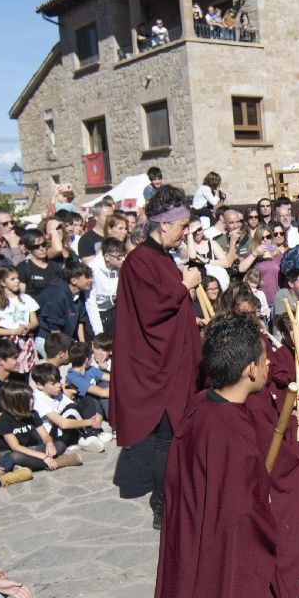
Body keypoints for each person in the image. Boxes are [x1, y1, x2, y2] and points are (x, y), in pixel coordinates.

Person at [146, 314, 299, 598]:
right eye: (264, 358)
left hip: (200, 540)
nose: (270, 364)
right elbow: (238, 508)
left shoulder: (202, 405)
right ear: (249, 370)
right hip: (227, 549)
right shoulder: (229, 429)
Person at [110, 186, 202, 526]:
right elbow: (152, 310)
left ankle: (179, 494)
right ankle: (163, 505)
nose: (184, 234)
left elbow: (170, 307)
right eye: (182, 227)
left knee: (179, 432)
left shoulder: (162, 256)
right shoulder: (139, 261)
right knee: (168, 436)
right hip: (159, 365)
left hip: (177, 359)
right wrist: (185, 285)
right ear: (165, 224)